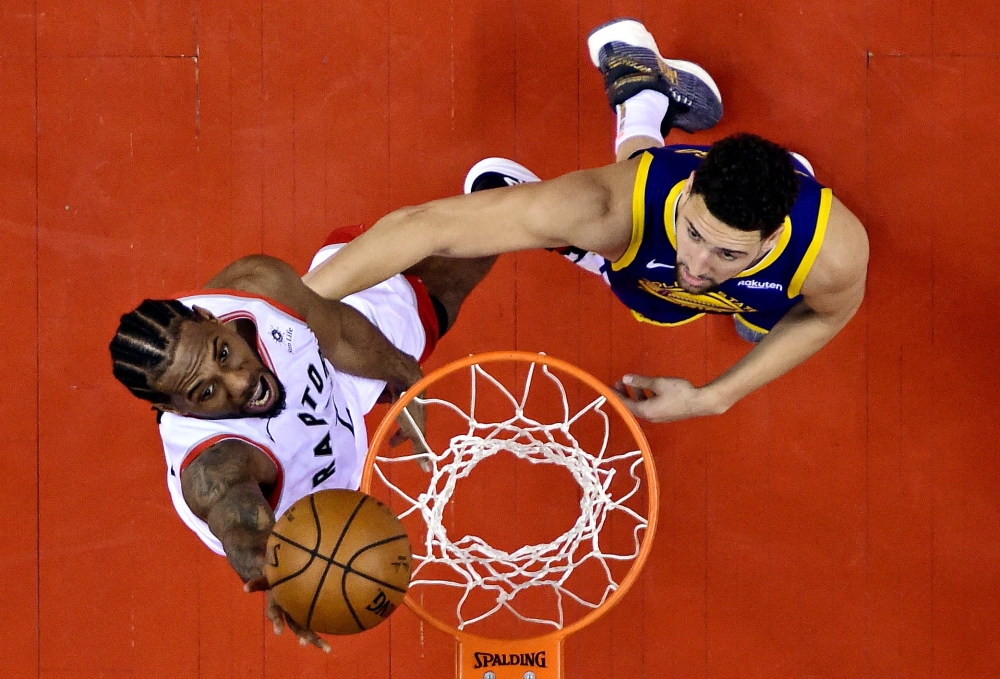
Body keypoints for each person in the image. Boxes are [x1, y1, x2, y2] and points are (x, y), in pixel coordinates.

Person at [301, 18, 869, 424]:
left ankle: (645, 90)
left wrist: (711, 398)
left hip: (728, 251)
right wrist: (283, 308)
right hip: (633, 214)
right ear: (690, 186)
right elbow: (424, 227)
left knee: (766, 309)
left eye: (727, 253)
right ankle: (639, 99)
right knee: (630, 223)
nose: (694, 264)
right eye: (694, 232)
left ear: (772, 236)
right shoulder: (605, 207)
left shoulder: (833, 255)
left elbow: (826, 317)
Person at [109, 225, 495, 651]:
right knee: (428, 295)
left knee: (433, 306)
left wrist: (405, 377)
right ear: (175, 410)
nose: (239, 383)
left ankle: (481, 203)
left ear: (208, 317)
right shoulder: (215, 466)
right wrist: (277, 572)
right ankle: (364, 251)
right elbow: (239, 526)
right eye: (205, 392)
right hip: (308, 499)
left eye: (223, 353)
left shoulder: (257, 285)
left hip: (329, 384)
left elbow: (341, 333)